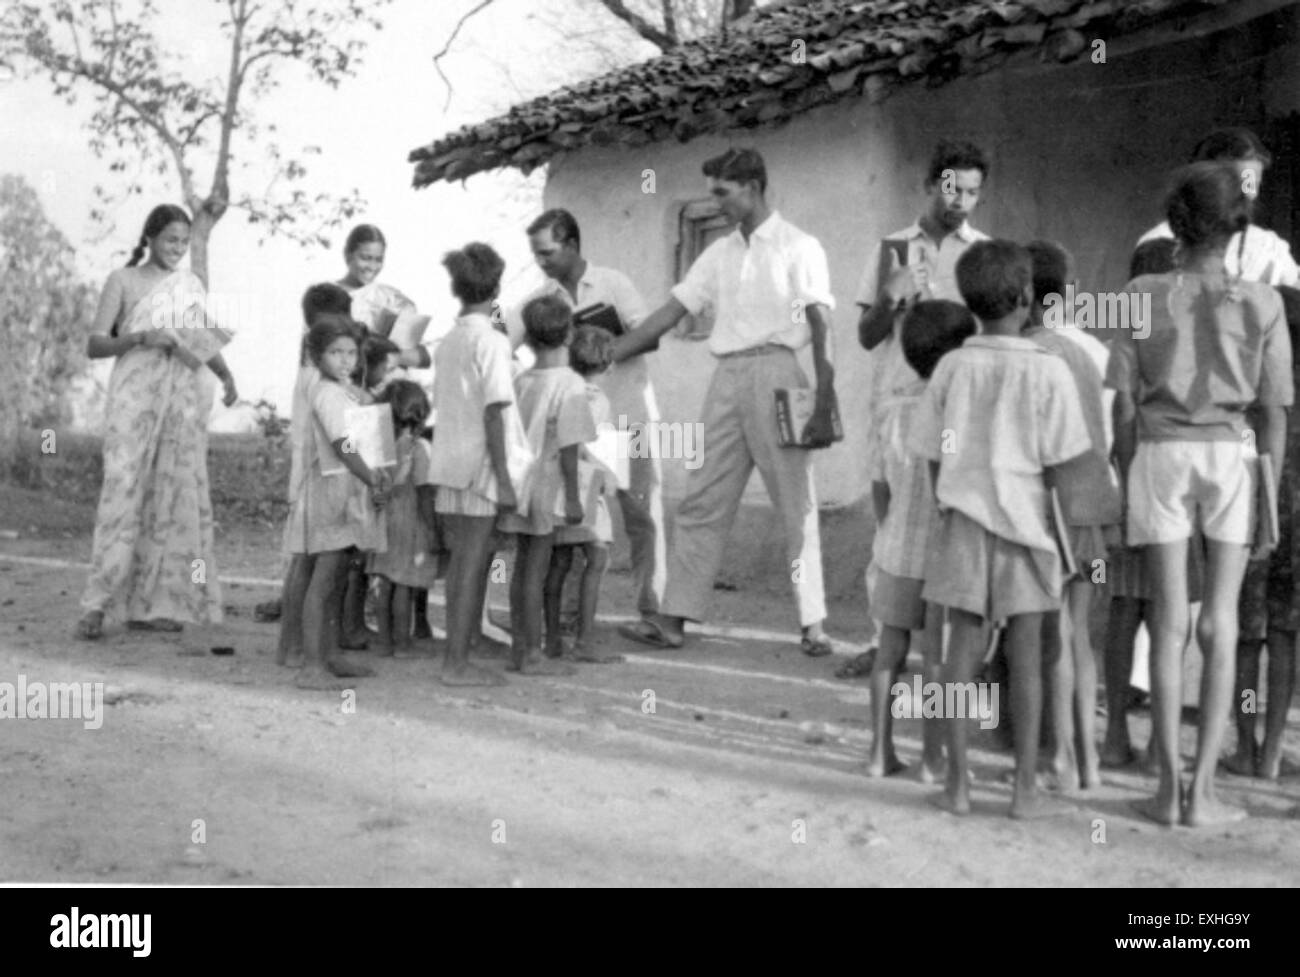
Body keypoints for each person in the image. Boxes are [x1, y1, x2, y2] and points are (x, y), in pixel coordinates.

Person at [1108, 162, 1292, 827]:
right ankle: (1204, 792)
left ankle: (1164, 788)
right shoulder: (1262, 301)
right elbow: (1273, 411)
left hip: (1159, 452)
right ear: (1235, 225)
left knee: (1169, 618)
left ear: (1176, 222)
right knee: (1221, 620)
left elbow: (1123, 406)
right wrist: (1268, 493)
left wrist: (1131, 473)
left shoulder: (1141, 291)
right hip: (1232, 457)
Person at [615, 148, 840, 655]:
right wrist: (609, 353)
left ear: (753, 186)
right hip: (727, 378)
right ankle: (673, 619)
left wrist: (824, 394)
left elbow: (822, 324)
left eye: (723, 192)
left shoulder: (798, 246)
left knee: (795, 503)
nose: (716, 204)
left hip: (783, 374)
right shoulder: (718, 253)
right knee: (702, 497)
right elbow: (672, 311)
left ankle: (813, 624)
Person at [909, 240, 1091, 819]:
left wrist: (947, 498)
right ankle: (1023, 791)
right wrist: (1068, 536)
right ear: (1027, 298)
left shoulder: (951, 367)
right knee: (1029, 657)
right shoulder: (1050, 370)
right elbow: (1063, 467)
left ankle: (958, 786)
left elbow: (933, 453)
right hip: (1028, 528)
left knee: (959, 655)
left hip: (963, 522)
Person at [845, 139, 992, 679]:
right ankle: (883, 639)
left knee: (954, 521)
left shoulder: (982, 253)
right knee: (891, 527)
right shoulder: (892, 248)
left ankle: (950, 654)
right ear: (930, 184)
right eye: (953, 187)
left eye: (973, 191)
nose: (961, 201)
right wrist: (891, 298)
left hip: (959, 406)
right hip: (899, 404)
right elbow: (866, 336)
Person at [76, 204, 239, 640]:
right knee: (123, 491)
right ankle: (98, 603)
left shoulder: (189, 285)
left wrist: (225, 375)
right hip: (135, 397)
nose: (177, 250)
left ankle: (158, 602)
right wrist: (142, 338)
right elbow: (95, 344)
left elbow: (201, 339)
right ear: (150, 238)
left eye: (184, 243)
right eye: (170, 240)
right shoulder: (123, 280)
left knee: (175, 493)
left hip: (181, 400)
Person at [514, 209, 667, 637]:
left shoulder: (613, 282)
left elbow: (649, 333)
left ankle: (652, 610)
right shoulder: (541, 299)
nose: (541, 262)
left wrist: (598, 354)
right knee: (572, 517)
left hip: (627, 411)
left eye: (547, 252)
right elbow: (517, 343)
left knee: (641, 513)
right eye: (536, 254)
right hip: (579, 424)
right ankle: (567, 617)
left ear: (573, 245)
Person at [1023, 240, 1123, 792]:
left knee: (1053, 633)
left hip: (1051, 513)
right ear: (1072, 293)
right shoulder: (1095, 350)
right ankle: (1087, 760)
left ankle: (1059, 757)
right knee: (1081, 633)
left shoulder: (1028, 353)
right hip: (1097, 514)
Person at [866, 300, 975, 780]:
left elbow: (879, 486)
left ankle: (878, 752)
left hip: (894, 547)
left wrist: (888, 531)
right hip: (942, 550)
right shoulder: (955, 409)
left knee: (889, 650)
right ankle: (934, 759)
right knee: (938, 657)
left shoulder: (890, 407)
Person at [430, 243, 522, 687]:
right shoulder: (492, 341)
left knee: (464, 566)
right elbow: (495, 412)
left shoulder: (449, 341)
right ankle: (456, 664)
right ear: (497, 287)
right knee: (471, 567)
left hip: (450, 463)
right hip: (480, 467)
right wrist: (505, 481)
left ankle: (458, 656)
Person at [288, 315, 390, 690]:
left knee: (339, 578)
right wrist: (370, 476)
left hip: (350, 488)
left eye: (351, 353)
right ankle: (312, 664)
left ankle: (329, 654)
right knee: (324, 578)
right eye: (335, 353)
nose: (345, 360)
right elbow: (342, 444)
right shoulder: (327, 394)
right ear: (317, 356)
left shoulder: (346, 391)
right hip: (333, 491)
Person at [1225, 283, 1300, 780]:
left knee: (1247, 639)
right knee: (1284, 636)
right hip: (1294, 529)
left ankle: (1247, 745)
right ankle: (1273, 748)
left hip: (1252, 519)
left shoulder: (1250, 386)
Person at [498, 296, 594, 675]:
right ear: (569, 334)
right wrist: (572, 497)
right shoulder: (570, 384)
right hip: (547, 483)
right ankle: (532, 654)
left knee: (522, 569)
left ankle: (519, 649)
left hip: (519, 482)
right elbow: (570, 448)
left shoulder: (521, 380)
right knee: (536, 569)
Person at [276, 283, 355, 667]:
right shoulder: (318, 379)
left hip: (315, 473)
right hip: (317, 477)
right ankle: (301, 650)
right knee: (311, 566)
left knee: (308, 564)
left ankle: (299, 646)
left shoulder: (317, 372)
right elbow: (340, 440)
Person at [544, 326, 624, 664]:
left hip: (559, 486)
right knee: (597, 558)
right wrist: (604, 470)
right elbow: (576, 444)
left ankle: (551, 640)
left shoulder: (562, 390)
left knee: (560, 561)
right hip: (584, 487)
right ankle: (584, 640)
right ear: (608, 366)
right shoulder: (594, 399)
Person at [1137, 128, 1299, 288]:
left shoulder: (1269, 248)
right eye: (1237, 184)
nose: (1248, 195)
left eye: (1253, 184)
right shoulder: (1157, 244)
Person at [367, 380, 440, 658]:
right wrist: (433, 530)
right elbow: (423, 493)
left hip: (385, 519)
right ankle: (403, 643)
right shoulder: (418, 448)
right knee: (404, 586)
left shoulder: (382, 447)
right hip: (411, 522)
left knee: (384, 582)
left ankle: (384, 641)